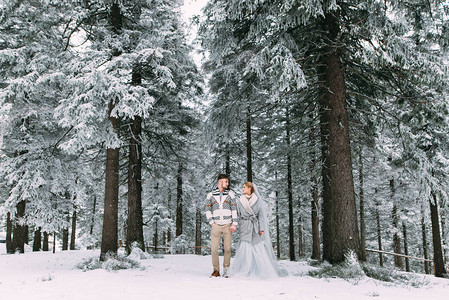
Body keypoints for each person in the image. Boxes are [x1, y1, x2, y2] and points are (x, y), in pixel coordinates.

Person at [230, 181, 281, 278]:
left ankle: (258, 270)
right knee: (245, 247)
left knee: (257, 247)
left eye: (244, 187)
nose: (243, 189)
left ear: (250, 188)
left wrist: (261, 228)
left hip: (255, 227)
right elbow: (237, 214)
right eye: (243, 187)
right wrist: (236, 224)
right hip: (244, 226)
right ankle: (244, 269)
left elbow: (261, 215)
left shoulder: (257, 200)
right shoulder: (240, 200)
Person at [205, 174, 237, 278]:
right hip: (216, 225)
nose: (227, 183)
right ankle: (216, 270)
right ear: (220, 182)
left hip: (228, 225)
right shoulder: (210, 195)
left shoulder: (230, 194)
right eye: (225, 181)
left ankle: (226, 270)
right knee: (214, 249)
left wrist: (234, 223)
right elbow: (207, 209)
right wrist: (211, 222)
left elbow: (234, 209)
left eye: (227, 182)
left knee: (227, 249)